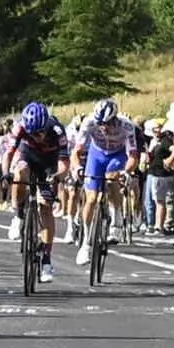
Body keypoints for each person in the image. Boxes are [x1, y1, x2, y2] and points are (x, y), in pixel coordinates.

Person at [4, 101, 66, 283]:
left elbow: (65, 163)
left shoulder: (57, 131)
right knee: (20, 172)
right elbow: (9, 153)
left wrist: (57, 176)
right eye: (32, 133)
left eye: (40, 133)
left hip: (49, 162)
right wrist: (6, 174)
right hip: (28, 155)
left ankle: (46, 259)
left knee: (46, 206)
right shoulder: (20, 128)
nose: (37, 136)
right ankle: (18, 216)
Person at [73, 98, 138, 264]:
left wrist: (126, 171)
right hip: (97, 155)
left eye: (107, 123)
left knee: (111, 179)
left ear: (115, 119)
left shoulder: (127, 126)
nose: (103, 127)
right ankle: (86, 243)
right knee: (91, 198)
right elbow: (77, 151)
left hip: (117, 155)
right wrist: (77, 168)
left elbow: (133, 156)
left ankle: (116, 217)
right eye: (100, 123)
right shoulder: (88, 123)